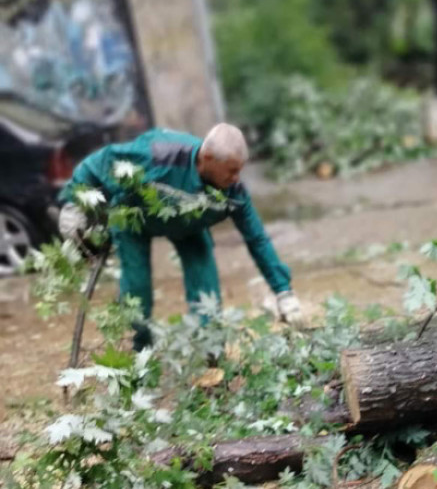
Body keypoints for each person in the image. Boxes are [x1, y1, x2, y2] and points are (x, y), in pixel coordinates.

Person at [59, 123, 308, 348]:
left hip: (189, 226)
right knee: (137, 290)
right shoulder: (156, 156)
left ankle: (211, 348)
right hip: (135, 218)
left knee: (206, 289)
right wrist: (73, 203)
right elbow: (100, 162)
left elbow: (257, 238)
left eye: (239, 171)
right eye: (231, 171)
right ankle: (141, 349)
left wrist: (283, 291)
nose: (236, 178)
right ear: (207, 158)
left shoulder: (233, 192)